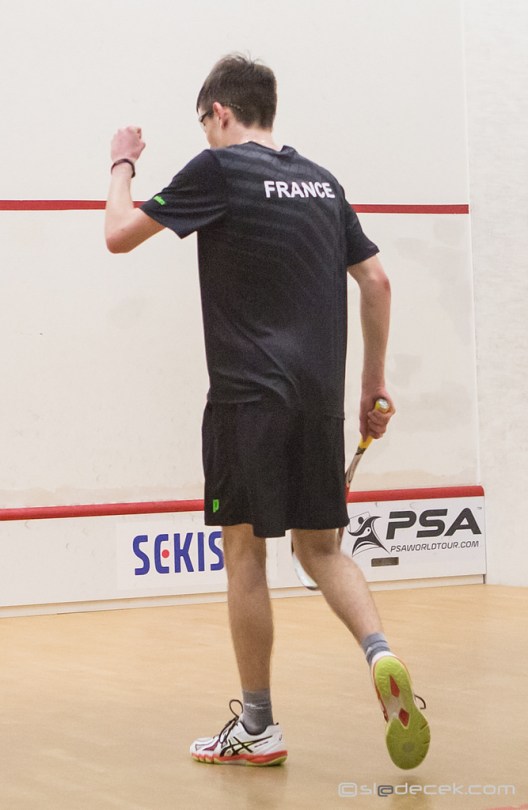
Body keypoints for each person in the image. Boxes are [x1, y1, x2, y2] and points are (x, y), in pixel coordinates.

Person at [105, 53, 430, 770]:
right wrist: (372, 385)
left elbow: (118, 232)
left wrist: (122, 162)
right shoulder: (323, 182)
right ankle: (380, 652)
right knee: (322, 551)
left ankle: (258, 726)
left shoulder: (219, 169)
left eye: (205, 123)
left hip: (247, 400)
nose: (206, 134)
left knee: (245, 554)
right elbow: (376, 281)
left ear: (220, 112)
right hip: (318, 402)